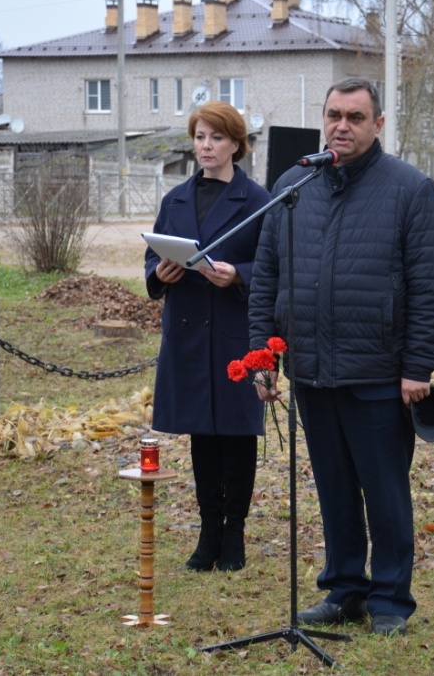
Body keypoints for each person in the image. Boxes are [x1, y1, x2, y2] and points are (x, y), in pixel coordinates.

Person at [248, 78, 434, 635]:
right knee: (335, 489)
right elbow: (267, 274)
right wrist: (261, 357)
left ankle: (390, 599)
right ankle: (344, 590)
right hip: (312, 370)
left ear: (378, 125)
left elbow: (432, 283)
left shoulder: (410, 189)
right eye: (334, 114)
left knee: (385, 492)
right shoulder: (295, 185)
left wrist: (418, 365)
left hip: (379, 374)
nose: (342, 125)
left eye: (356, 117)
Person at [145, 101, 271, 572]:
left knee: (237, 435)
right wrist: (161, 272)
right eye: (199, 137)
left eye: (216, 138)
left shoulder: (257, 200)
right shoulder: (174, 200)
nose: (206, 146)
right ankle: (207, 534)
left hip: (237, 332)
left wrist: (238, 274)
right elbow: (151, 261)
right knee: (203, 435)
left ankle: (234, 534)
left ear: (236, 144)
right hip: (188, 334)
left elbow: (275, 266)